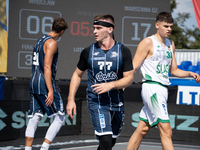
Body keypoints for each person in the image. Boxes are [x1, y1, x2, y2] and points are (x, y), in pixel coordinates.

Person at [126, 12, 200, 150]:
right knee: (166, 131)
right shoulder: (147, 42)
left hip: (163, 89)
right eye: (166, 26)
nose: (169, 29)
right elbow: (133, 67)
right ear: (157, 25)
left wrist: (190, 73)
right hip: (152, 88)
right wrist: (123, 83)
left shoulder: (170, 44)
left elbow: (174, 71)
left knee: (142, 130)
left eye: (171, 26)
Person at [66, 14, 133, 150]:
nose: (94, 31)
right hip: (97, 101)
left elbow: (129, 79)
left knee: (110, 141)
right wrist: (70, 99)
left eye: (98, 28)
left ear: (110, 29)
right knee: (106, 139)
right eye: (94, 28)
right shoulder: (88, 52)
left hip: (116, 102)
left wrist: (111, 85)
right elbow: (77, 75)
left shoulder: (123, 51)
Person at [25, 18, 68, 150]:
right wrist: (50, 89)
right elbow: (47, 67)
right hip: (44, 84)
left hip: (34, 83)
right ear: (61, 32)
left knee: (35, 117)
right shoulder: (52, 43)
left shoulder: (40, 40)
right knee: (60, 117)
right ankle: (44, 148)